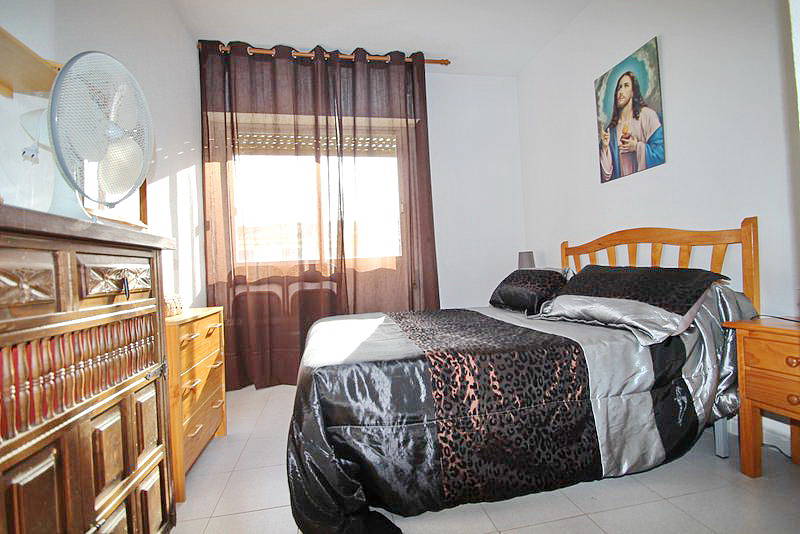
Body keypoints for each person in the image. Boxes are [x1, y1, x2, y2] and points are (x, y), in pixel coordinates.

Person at [599, 71, 664, 181]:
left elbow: (660, 154)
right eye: (619, 88)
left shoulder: (648, 115)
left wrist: (636, 147)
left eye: (626, 86)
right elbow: (607, 176)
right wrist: (605, 147)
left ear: (633, 91)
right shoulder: (611, 130)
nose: (621, 91)